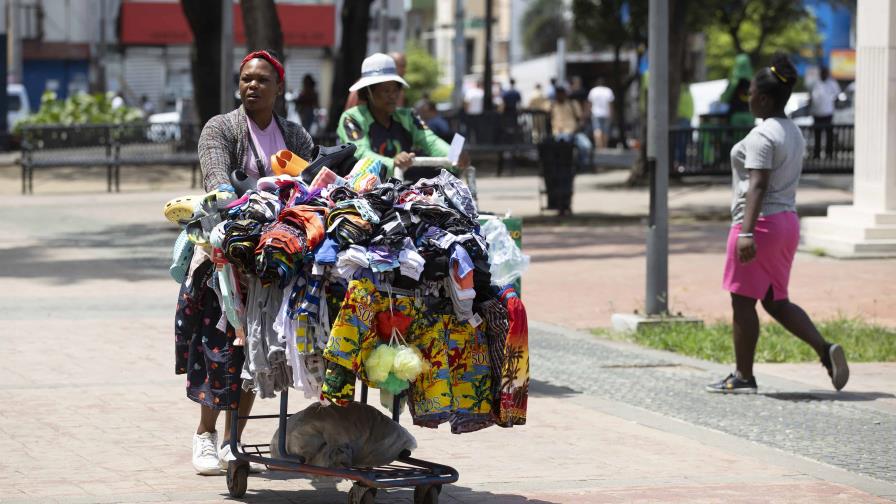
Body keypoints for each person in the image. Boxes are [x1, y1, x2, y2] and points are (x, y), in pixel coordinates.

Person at [190, 49, 314, 474]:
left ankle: (232, 441)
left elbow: (311, 188)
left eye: (262, 80)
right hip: (227, 258)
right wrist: (242, 200)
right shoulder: (220, 129)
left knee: (255, 350)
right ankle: (205, 434)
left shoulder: (296, 136)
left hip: (277, 258)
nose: (252, 86)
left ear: (279, 88)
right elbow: (217, 180)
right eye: (246, 79)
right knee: (222, 349)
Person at [705, 55, 849, 395]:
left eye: (751, 93)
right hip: (787, 223)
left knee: (742, 301)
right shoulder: (793, 132)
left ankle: (743, 377)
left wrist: (746, 232)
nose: (748, 97)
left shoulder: (762, 135)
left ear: (765, 99)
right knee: (775, 300)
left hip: (761, 224)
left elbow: (757, 184)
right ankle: (824, 349)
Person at [337, 53, 469, 182]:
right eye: (386, 91)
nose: (392, 96)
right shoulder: (351, 118)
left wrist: (453, 156)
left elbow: (430, 141)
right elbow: (360, 152)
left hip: (404, 187)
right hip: (367, 190)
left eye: (395, 90)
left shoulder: (408, 116)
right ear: (368, 92)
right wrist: (392, 163)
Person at [550, 86, 592, 169]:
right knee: (564, 142)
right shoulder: (552, 105)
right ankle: (564, 166)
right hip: (559, 134)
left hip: (574, 133)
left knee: (587, 146)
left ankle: (582, 166)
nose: (560, 95)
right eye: (558, 93)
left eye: (562, 93)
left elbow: (581, 119)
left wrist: (579, 127)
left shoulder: (573, 104)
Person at [810, 66, 840, 159]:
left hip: (828, 113)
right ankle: (816, 154)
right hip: (817, 113)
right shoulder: (815, 83)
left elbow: (837, 96)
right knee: (817, 135)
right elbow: (811, 97)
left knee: (829, 135)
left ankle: (829, 153)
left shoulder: (832, 83)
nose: (824, 75)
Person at [587, 78, 614, 149]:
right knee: (605, 131)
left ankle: (599, 145)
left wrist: (589, 112)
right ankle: (604, 146)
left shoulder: (593, 91)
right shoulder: (608, 91)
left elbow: (590, 103)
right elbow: (610, 104)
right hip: (606, 113)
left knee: (597, 130)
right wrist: (611, 114)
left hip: (595, 113)